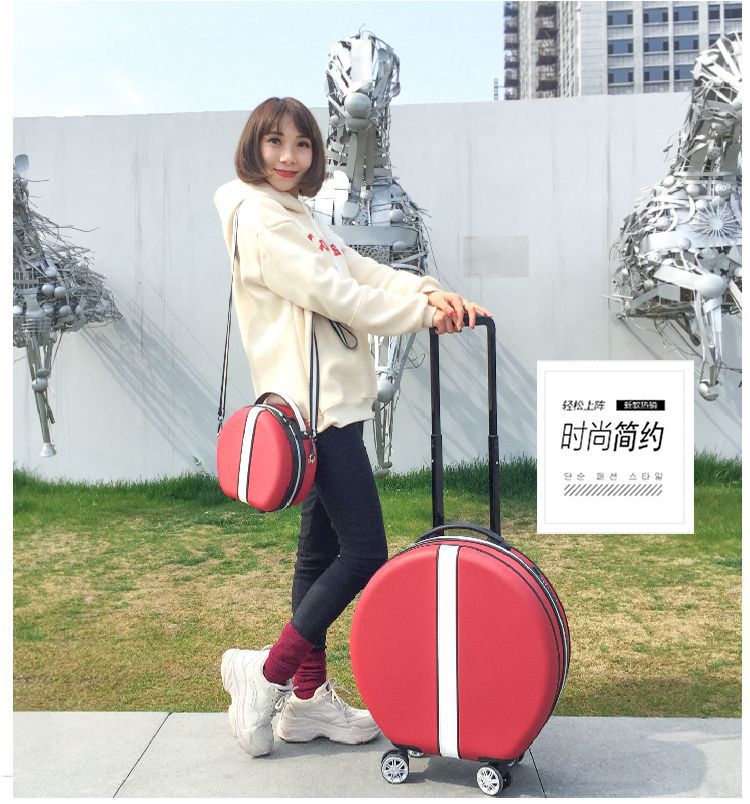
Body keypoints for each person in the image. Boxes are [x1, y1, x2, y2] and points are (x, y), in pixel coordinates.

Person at [213, 96, 492, 757]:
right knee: (364, 552)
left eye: (302, 144)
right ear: (254, 146)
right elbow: (336, 295)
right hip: (316, 411)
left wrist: (426, 290)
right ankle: (268, 673)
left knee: (317, 555)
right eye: (276, 142)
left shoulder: (298, 214)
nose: (289, 156)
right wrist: (422, 316)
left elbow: (358, 269)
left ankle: (307, 702)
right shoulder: (260, 219)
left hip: (332, 403)